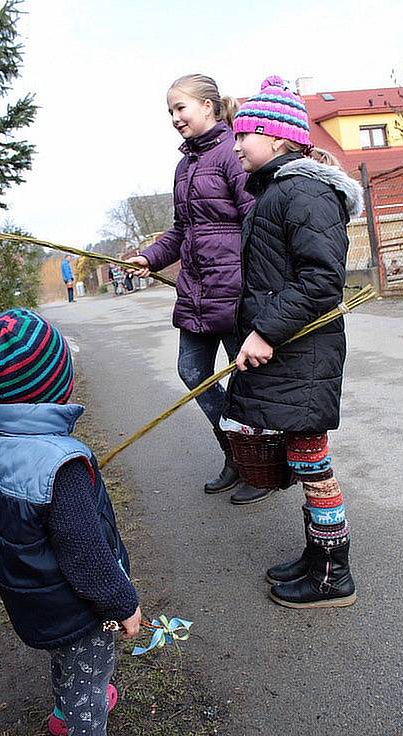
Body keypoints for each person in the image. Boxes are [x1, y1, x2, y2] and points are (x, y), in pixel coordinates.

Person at [221, 75, 364, 608]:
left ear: (278, 138)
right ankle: (318, 554)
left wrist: (263, 331)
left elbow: (321, 281)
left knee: (312, 458)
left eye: (243, 136)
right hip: (293, 351)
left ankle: (333, 572)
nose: (235, 146)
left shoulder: (301, 191)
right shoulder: (278, 191)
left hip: (303, 351)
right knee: (306, 458)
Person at [0, 308, 141, 735]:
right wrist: (124, 604)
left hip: (31, 600)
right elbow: (88, 556)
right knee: (89, 674)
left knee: (64, 656)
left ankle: (65, 708)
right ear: (60, 385)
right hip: (77, 609)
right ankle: (78, 718)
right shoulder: (60, 468)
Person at [128, 74, 269, 505]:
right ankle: (234, 453)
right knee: (192, 375)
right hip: (196, 291)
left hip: (234, 291)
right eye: (169, 111)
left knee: (246, 386)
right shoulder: (184, 165)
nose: (174, 118)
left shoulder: (232, 152)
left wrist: (258, 283)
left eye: (180, 108)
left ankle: (258, 470)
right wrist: (148, 258)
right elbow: (180, 231)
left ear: (208, 106)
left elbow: (255, 220)